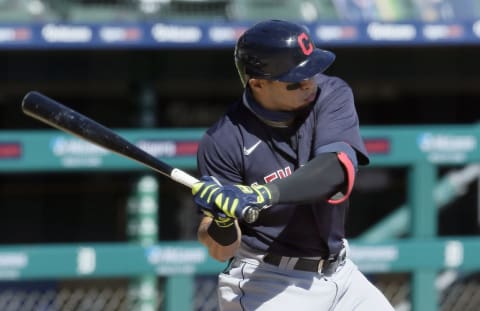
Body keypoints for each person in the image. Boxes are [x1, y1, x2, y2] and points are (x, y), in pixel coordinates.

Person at [192, 19, 394, 311]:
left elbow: (333, 171)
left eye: (312, 71)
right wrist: (222, 219)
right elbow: (221, 249)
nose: (309, 84)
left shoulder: (331, 94)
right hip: (268, 283)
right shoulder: (223, 140)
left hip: (342, 274)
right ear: (257, 83)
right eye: (295, 81)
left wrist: (260, 194)